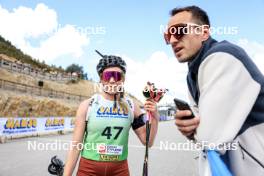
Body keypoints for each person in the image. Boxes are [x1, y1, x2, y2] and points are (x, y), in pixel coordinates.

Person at [164, 5, 264, 176]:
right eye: (167, 35)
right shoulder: (192, 74)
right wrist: (189, 128)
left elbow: (208, 138)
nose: (172, 40)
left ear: (204, 33)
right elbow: (200, 132)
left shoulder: (223, 56)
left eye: (179, 31)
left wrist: (195, 130)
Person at [63, 51, 159, 176]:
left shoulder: (131, 106)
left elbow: (148, 142)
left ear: (123, 79)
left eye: (117, 76)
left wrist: (155, 116)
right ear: (101, 79)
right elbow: (76, 147)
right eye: (108, 76)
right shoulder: (88, 105)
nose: (112, 81)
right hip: (89, 170)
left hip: (119, 170)